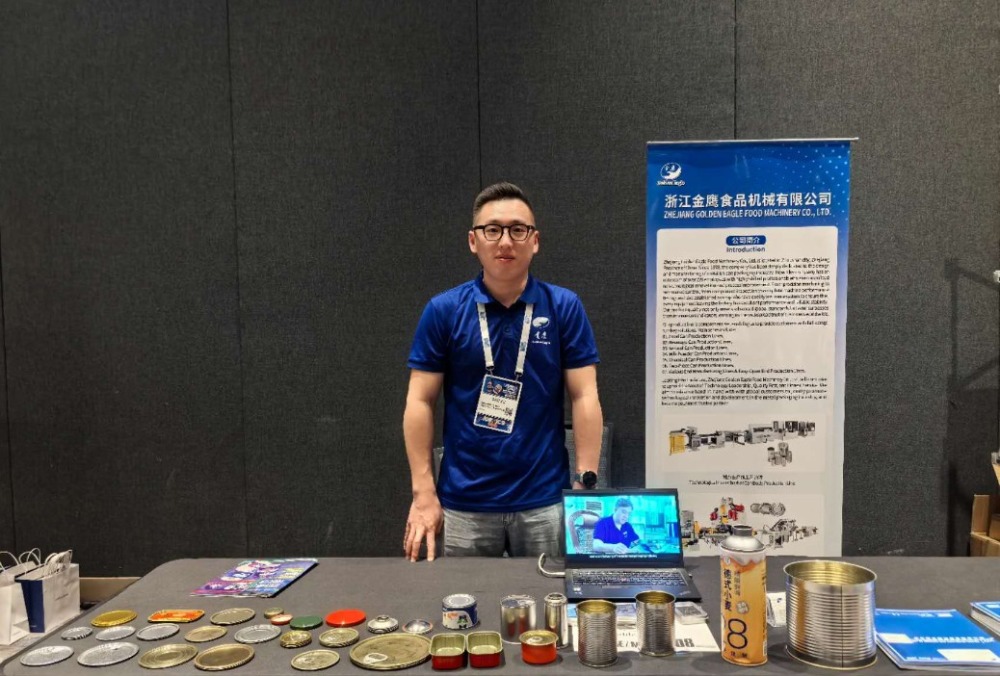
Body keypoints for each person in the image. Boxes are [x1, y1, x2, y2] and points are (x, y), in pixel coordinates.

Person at [403, 182, 604, 561]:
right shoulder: (444, 310)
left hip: (545, 500)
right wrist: (423, 493)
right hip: (464, 501)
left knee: (549, 597)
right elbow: (419, 400)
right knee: (464, 598)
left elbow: (585, 395)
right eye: (492, 230)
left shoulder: (564, 306)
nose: (506, 242)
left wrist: (585, 484)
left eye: (518, 230)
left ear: (535, 240)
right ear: (473, 241)